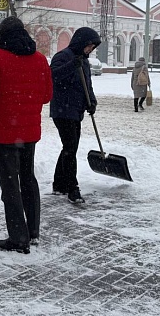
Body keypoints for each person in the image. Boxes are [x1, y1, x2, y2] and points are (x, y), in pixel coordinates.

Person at [0, 16, 52, 254]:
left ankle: (19, 238)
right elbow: (47, 95)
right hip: (29, 133)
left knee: (10, 186)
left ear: (2, 36)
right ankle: (33, 231)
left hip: (3, 135)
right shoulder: (39, 59)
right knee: (28, 179)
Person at [50, 27, 100, 203]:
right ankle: (72, 188)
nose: (90, 50)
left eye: (92, 48)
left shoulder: (83, 61)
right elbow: (52, 76)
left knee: (69, 148)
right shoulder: (63, 56)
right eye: (88, 46)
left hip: (75, 110)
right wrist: (72, 66)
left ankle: (59, 183)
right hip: (62, 110)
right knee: (70, 148)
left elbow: (88, 84)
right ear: (81, 43)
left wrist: (92, 102)